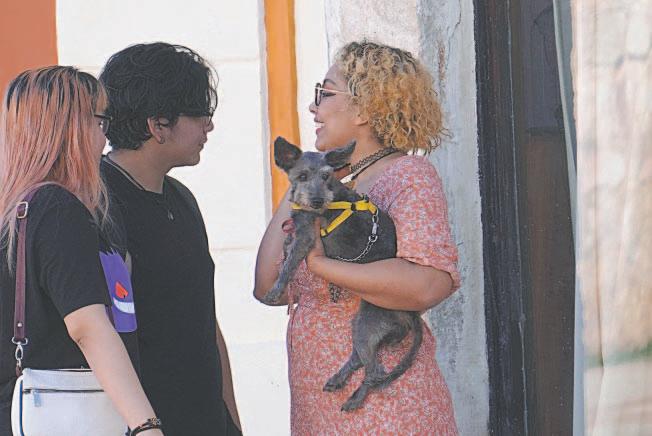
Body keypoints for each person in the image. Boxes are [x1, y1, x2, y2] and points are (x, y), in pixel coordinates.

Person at [254, 41, 461, 434]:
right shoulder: (335, 186)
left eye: (325, 93)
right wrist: (303, 177)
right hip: (323, 414)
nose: (313, 107)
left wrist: (320, 265)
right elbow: (267, 287)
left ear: (365, 108)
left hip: (387, 414)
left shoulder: (406, 176)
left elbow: (428, 283)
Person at [0, 66, 162, 435]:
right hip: (64, 416)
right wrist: (146, 425)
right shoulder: (56, 209)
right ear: (72, 128)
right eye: (100, 121)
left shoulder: (17, 213)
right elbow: (88, 327)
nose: (105, 138)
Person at [99, 43, 241, 436]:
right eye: (200, 114)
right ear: (157, 125)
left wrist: (232, 421)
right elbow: (95, 332)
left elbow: (205, 321)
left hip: (207, 421)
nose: (209, 127)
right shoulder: (96, 203)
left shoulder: (182, 198)